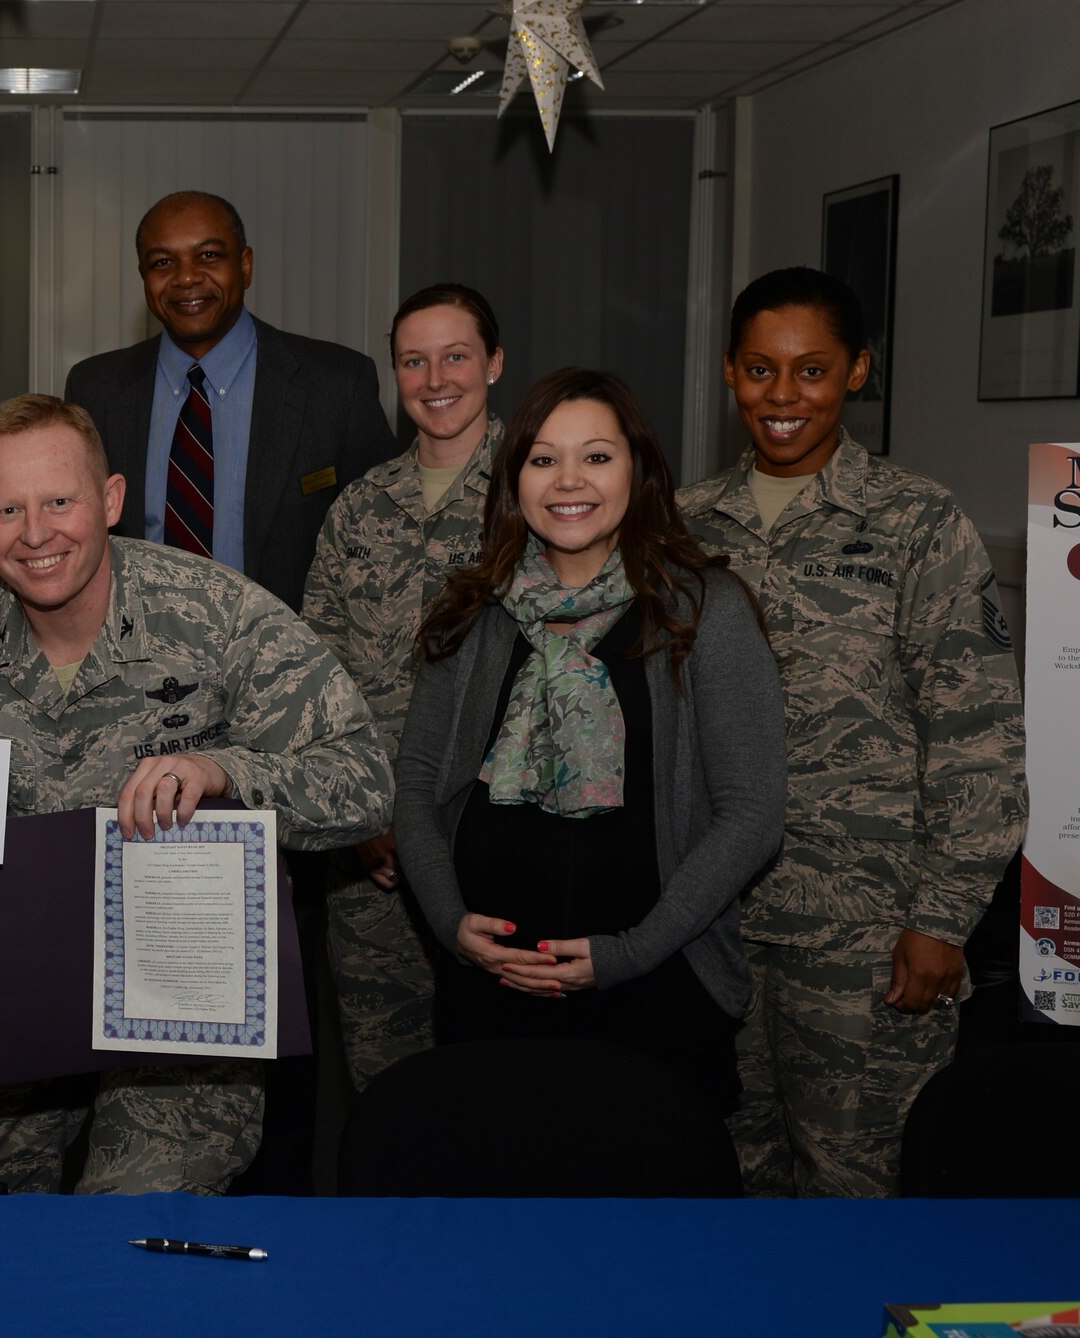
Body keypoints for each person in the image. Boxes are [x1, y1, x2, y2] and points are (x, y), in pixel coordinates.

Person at [0, 393, 392, 1195]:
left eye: (61, 501)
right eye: (8, 509)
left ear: (112, 500)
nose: (37, 532)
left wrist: (227, 774)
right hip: (7, 1004)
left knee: (127, 1228)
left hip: (179, 1017)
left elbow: (365, 781)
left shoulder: (219, 614)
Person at [679, 267, 1026, 1195]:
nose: (783, 397)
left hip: (865, 932)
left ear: (857, 372)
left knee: (856, 1185)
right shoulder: (680, 527)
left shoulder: (918, 522)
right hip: (711, 922)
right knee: (725, 1177)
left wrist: (943, 919)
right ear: (729, 373)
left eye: (811, 371)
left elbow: (979, 732)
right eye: (760, 370)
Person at [395, 368, 786, 1116]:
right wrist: (449, 925)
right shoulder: (474, 608)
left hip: (655, 994)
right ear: (515, 480)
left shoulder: (704, 608)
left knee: (649, 1223)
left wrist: (628, 953)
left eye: (597, 456)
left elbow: (753, 814)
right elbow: (415, 787)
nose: (568, 480)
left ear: (637, 471)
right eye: (543, 458)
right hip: (492, 996)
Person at [303, 282, 507, 1091]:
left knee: (495, 1084)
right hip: (373, 856)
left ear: (494, 362)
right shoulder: (358, 508)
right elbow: (315, 678)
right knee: (385, 1083)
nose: (435, 378)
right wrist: (361, 816)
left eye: (456, 355)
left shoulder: (542, 500)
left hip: (492, 850)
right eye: (412, 361)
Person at [64, 190, 399, 612]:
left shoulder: (336, 384)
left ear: (245, 266)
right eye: (163, 262)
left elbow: (387, 541)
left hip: (291, 663)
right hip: (135, 658)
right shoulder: (96, 390)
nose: (186, 278)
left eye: (207, 256)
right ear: (143, 277)